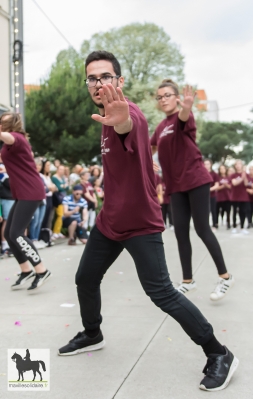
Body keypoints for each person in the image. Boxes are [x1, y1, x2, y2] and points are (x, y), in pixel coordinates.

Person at [58, 51, 238, 392]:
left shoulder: (129, 115)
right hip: (109, 221)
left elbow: (129, 125)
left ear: (120, 81)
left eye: (106, 76)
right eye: (92, 78)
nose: (99, 83)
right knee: (85, 279)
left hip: (139, 222)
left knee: (162, 294)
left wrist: (122, 120)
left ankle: (219, 353)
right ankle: (92, 332)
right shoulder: (106, 118)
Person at [150, 80, 234, 301]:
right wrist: (148, 159)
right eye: (160, 97)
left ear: (176, 97)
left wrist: (187, 106)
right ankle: (188, 281)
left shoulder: (182, 118)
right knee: (180, 232)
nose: (163, 99)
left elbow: (185, 115)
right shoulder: (160, 127)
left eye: (167, 95)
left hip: (195, 179)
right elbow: (150, 146)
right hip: (175, 185)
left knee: (202, 228)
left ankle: (225, 277)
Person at [0, 112, 51, 291]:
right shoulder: (9, 144)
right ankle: (25, 270)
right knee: (8, 234)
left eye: (3, 122)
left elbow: (8, 137)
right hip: (23, 192)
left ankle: (41, 270)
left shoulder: (17, 138)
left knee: (16, 233)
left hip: (30, 191)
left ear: (12, 125)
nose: (1, 124)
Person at [29, 158, 47, 249]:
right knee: (34, 221)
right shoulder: (30, 175)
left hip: (42, 201)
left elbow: (47, 188)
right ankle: (32, 239)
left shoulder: (41, 176)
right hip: (34, 200)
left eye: (40, 165)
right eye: (37, 165)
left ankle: (36, 239)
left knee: (39, 221)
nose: (38, 167)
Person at [0, 154, 15, 256]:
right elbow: (9, 183)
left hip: (11, 197)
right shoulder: (2, 168)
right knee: (6, 221)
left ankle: (9, 243)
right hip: (6, 198)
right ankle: (5, 244)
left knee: (10, 221)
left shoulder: (7, 166)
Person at [230, 160, 249, 234]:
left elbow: (246, 184)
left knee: (243, 212)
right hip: (235, 196)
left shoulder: (245, 174)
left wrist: (244, 177)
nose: (238, 166)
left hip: (243, 197)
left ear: (241, 165)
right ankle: (234, 227)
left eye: (239, 164)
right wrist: (241, 178)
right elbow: (234, 183)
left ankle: (242, 227)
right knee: (234, 212)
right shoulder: (233, 175)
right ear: (235, 166)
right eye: (236, 164)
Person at [51, 165, 69, 239]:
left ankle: (58, 231)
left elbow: (67, 187)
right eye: (60, 169)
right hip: (57, 199)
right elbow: (58, 188)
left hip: (63, 198)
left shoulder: (62, 178)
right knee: (60, 215)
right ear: (57, 170)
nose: (62, 171)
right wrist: (63, 186)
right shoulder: (54, 177)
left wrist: (63, 186)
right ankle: (55, 231)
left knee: (62, 215)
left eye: (63, 170)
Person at [41, 159, 57, 230]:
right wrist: (51, 188)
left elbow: (54, 187)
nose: (49, 167)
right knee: (43, 217)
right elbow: (48, 188)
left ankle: (45, 234)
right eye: (47, 165)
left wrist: (51, 188)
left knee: (48, 217)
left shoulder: (48, 176)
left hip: (50, 197)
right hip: (45, 197)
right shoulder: (41, 176)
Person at [204, 159, 219, 230]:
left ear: (211, 165)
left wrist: (208, 190)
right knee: (205, 211)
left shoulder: (214, 174)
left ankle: (214, 225)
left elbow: (217, 185)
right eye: (205, 164)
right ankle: (205, 226)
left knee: (213, 210)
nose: (206, 165)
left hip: (212, 195)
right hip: (203, 196)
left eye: (208, 164)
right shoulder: (202, 173)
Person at [216, 165, 231, 229]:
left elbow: (231, 187)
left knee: (228, 211)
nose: (222, 170)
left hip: (227, 197)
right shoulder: (218, 178)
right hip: (219, 198)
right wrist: (222, 186)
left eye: (223, 168)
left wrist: (226, 185)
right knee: (217, 211)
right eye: (221, 169)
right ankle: (216, 223)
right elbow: (217, 187)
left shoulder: (229, 177)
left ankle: (228, 223)